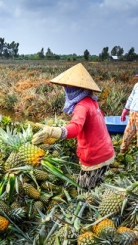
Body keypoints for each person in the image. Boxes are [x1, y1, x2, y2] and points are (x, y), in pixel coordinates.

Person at [32, 63, 114, 191]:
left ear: (79, 87)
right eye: (66, 86)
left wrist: (52, 131)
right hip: (106, 152)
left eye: (69, 86)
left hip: (95, 157)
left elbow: (75, 128)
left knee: (83, 191)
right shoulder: (92, 100)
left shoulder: (82, 106)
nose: (66, 89)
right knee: (96, 185)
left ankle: (91, 209)